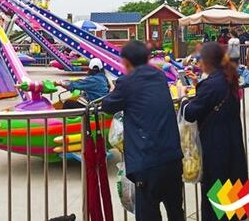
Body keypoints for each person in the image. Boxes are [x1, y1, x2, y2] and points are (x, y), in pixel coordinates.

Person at [102, 40, 184, 221]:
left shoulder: (127, 82)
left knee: (148, 214)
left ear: (125, 61)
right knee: (176, 211)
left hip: (147, 161)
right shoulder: (159, 76)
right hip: (172, 157)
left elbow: (107, 105)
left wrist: (115, 89)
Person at [181, 43, 247, 221]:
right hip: (232, 143)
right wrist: (199, 85)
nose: (199, 63)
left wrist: (184, 98)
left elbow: (190, 113)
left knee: (217, 189)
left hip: (216, 146)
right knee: (232, 186)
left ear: (208, 61)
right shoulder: (228, 78)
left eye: (200, 59)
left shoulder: (212, 84)